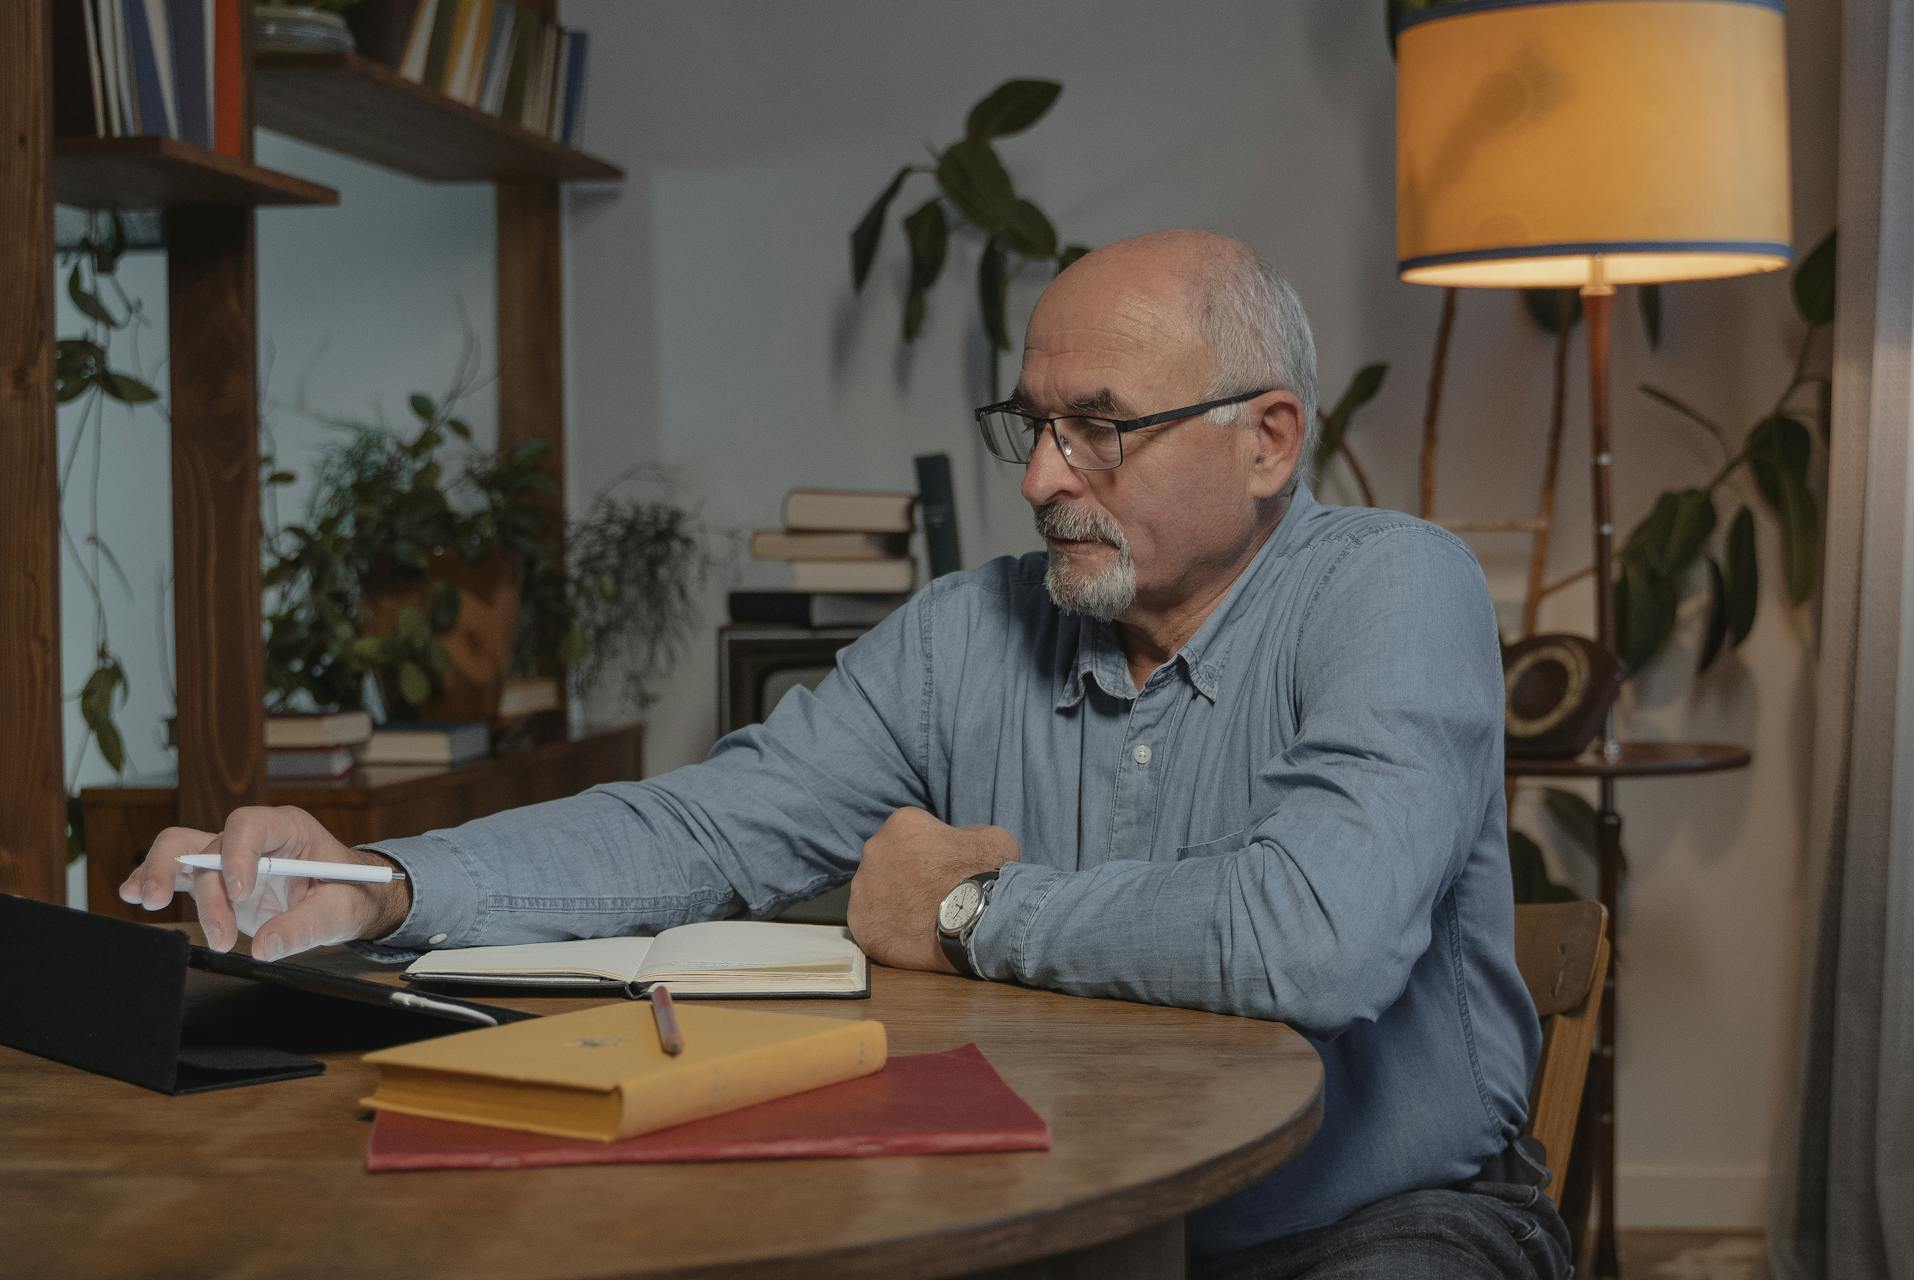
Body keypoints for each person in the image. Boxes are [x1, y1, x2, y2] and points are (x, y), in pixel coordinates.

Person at [124, 229, 1568, 1278]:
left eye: (1101, 431)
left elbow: (1317, 942)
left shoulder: (1397, 588)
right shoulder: (963, 634)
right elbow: (704, 829)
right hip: (1052, 1219)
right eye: (1035, 422)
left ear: (1267, 440)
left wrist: (964, 911)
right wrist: (379, 882)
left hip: (1375, 1225)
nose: (1040, 477)